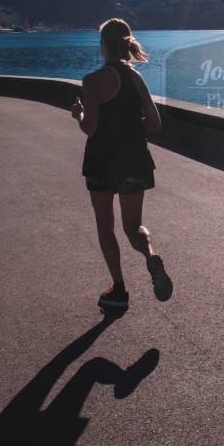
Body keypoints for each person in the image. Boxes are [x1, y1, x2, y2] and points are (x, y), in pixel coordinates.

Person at [71, 18, 172, 310]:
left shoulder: (92, 80)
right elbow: (154, 124)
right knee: (134, 226)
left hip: (101, 162)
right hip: (134, 159)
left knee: (106, 224)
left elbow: (90, 128)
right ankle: (151, 255)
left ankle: (119, 290)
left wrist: (78, 114)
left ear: (103, 46)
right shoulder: (136, 78)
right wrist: (129, 124)